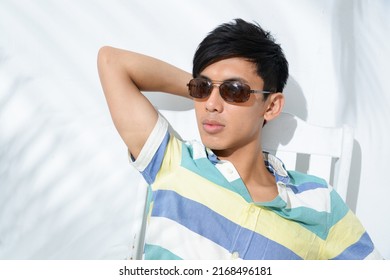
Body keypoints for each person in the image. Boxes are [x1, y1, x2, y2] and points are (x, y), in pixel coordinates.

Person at [97, 18, 382, 260]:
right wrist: (212, 88)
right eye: (201, 88)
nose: (211, 104)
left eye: (235, 90)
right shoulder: (174, 162)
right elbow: (112, 62)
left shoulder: (319, 201)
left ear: (271, 106)